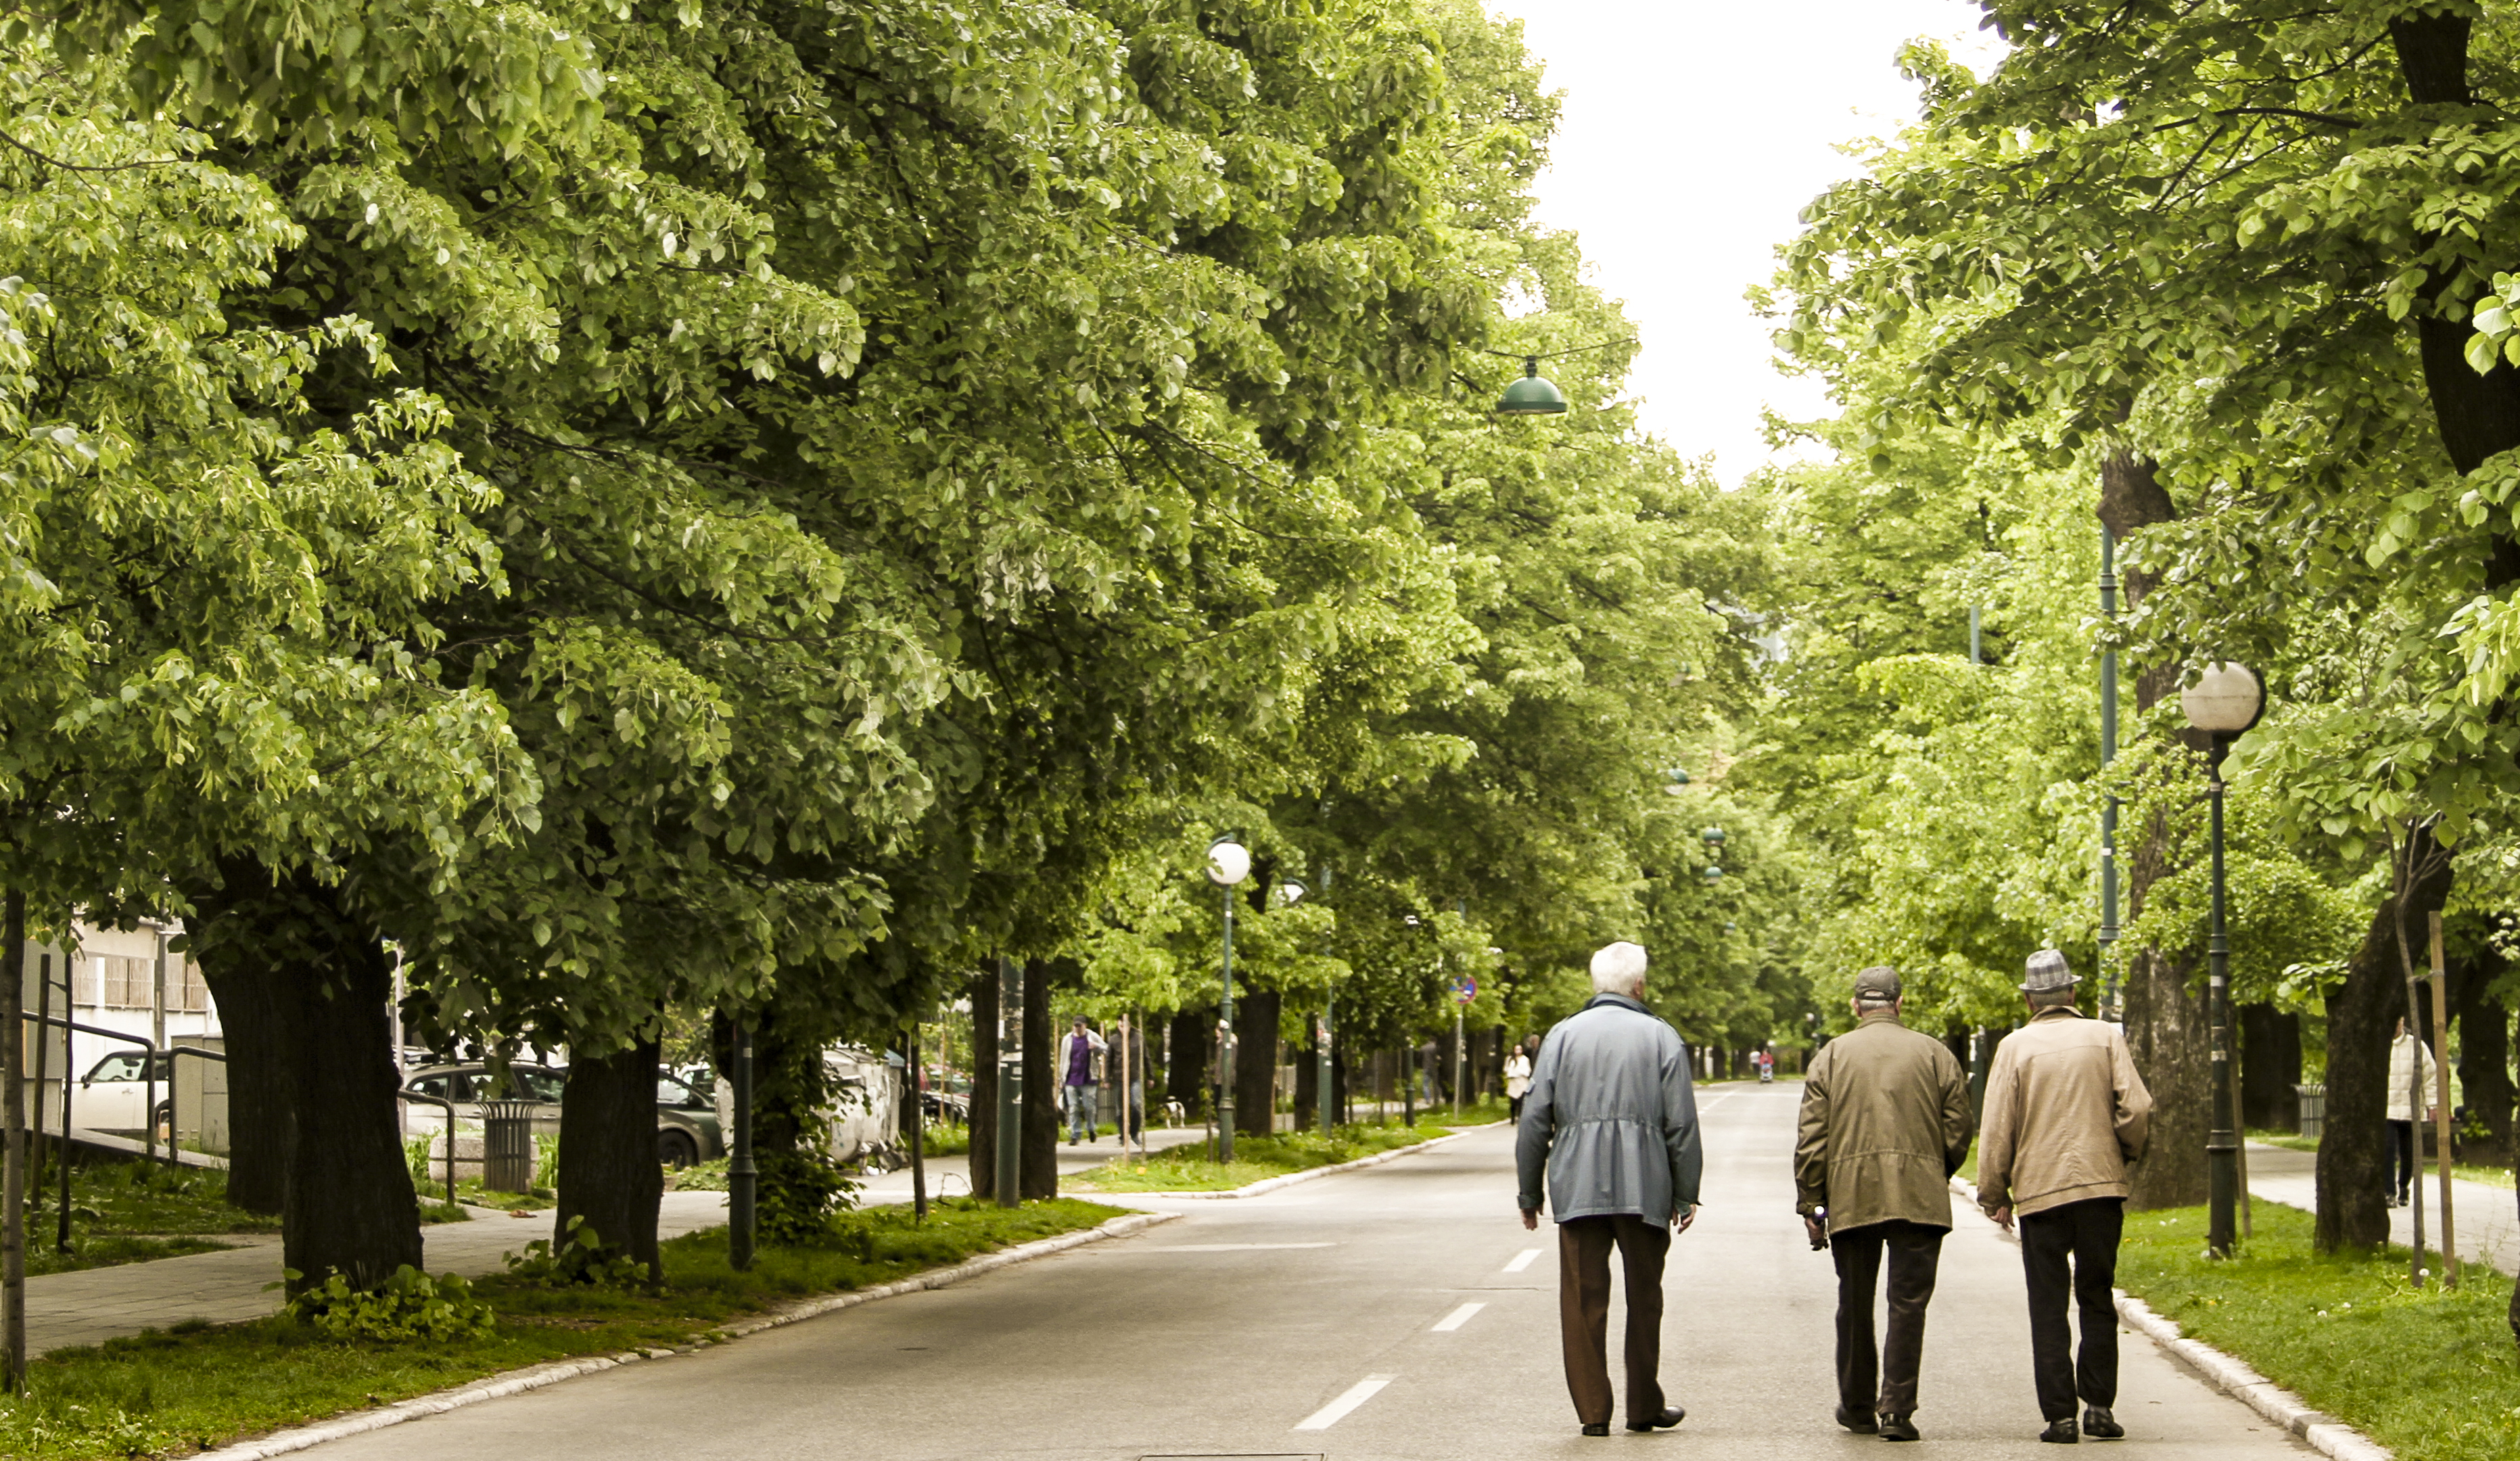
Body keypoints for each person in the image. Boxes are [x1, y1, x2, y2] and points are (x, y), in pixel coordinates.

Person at [1516, 941, 1701, 1438]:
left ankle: (1594, 1413)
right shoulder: (1662, 1037)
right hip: (1646, 1186)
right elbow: (1681, 1124)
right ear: (1639, 985)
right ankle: (1644, 1408)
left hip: (1577, 1186)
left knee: (1581, 1301)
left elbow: (1535, 1119)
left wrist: (1529, 1192)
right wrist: (1686, 1193)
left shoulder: (1561, 1036)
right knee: (1646, 1297)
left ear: (1597, 984)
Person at [1978, 949, 2153, 1445]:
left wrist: (1995, 1192)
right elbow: (2136, 1106)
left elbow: (1997, 1128)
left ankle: (2060, 1417)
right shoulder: (2104, 1036)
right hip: (2100, 1189)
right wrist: (2125, 1152)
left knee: (2048, 1304)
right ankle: (2099, 1406)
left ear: (2030, 998)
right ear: (2073, 994)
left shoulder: (2013, 1047)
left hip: (2040, 1194)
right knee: (2097, 1294)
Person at [1794, 966, 1972, 1443]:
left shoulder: (1831, 1056)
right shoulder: (1935, 1053)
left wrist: (1812, 1203)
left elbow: (1813, 1137)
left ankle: (1856, 1406)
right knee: (1908, 1303)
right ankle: (1896, 1409)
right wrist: (1934, 1171)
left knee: (1854, 1301)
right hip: (1919, 1194)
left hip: (1853, 1194)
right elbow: (1958, 1129)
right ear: (1900, 1003)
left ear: (1857, 1006)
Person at [2385, 1017, 2440, 1209]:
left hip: (2411, 1108)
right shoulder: (2379, 1046)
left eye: (2397, 1023)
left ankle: (2404, 1188)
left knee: (2408, 1152)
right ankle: (2389, 1192)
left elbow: (2430, 1077)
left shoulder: (2417, 1046)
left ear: (2402, 1022)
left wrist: (2433, 1106)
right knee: (2387, 1150)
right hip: (2387, 1109)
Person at [1055, 1018, 1105, 1145]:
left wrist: (1096, 1046)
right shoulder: (1067, 1039)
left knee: (1089, 1107)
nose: (1077, 1028)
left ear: (1085, 1026)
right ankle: (1075, 1134)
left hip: (1088, 1078)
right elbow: (1063, 1059)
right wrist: (1061, 1078)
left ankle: (1091, 1129)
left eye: (1080, 1026)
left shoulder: (1092, 1036)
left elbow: (1107, 1049)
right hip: (1071, 1079)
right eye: (1075, 1026)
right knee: (1073, 1108)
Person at [1506, 1037, 1535, 1120]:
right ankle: (1512, 1117)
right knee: (1512, 1101)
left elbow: (1527, 1070)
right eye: (1516, 1049)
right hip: (1513, 1082)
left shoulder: (1525, 1059)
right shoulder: (1510, 1059)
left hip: (1522, 1081)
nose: (1518, 1051)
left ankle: (1520, 1116)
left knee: (1521, 1100)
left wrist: (1520, 1072)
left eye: (1520, 1050)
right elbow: (1507, 1069)